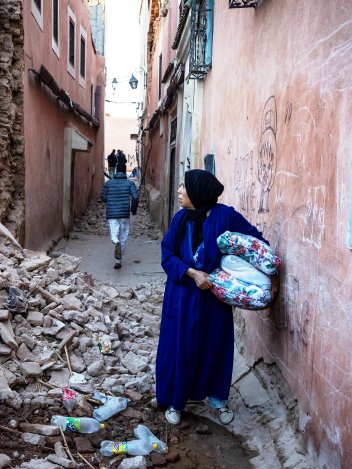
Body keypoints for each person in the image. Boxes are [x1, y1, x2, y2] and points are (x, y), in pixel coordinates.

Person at [155, 169, 271, 426]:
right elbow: (167, 254)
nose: (179, 191)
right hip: (182, 296)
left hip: (214, 298)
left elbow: (256, 244)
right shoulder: (180, 220)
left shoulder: (225, 216)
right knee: (180, 346)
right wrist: (192, 272)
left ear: (198, 192)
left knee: (214, 346)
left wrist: (231, 270)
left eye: (183, 187)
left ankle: (217, 398)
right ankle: (177, 400)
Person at [101, 164, 139, 269]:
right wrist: (133, 209)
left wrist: (109, 200)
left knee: (114, 233)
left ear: (116, 171)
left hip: (112, 213)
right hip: (124, 213)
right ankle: (118, 260)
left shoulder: (108, 183)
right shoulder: (129, 183)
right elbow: (135, 197)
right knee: (123, 235)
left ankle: (116, 242)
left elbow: (103, 197)